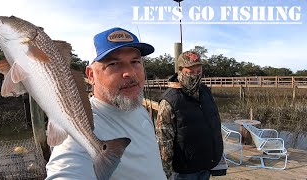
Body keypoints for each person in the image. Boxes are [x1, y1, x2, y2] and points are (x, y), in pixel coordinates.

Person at [46, 27, 167, 180]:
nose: (129, 72)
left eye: (135, 61)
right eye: (114, 64)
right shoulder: (80, 127)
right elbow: (66, 170)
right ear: (91, 75)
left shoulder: (138, 107)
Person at [156, 51, 224, 180]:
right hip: (184, 171)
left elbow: (214, 122)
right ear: (180, 70)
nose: (196, 75)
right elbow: (164, 141)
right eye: (191, 72)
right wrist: (165, 172)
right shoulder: (169, 101)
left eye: (199, 71)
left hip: (207, 165)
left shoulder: (205, 91)